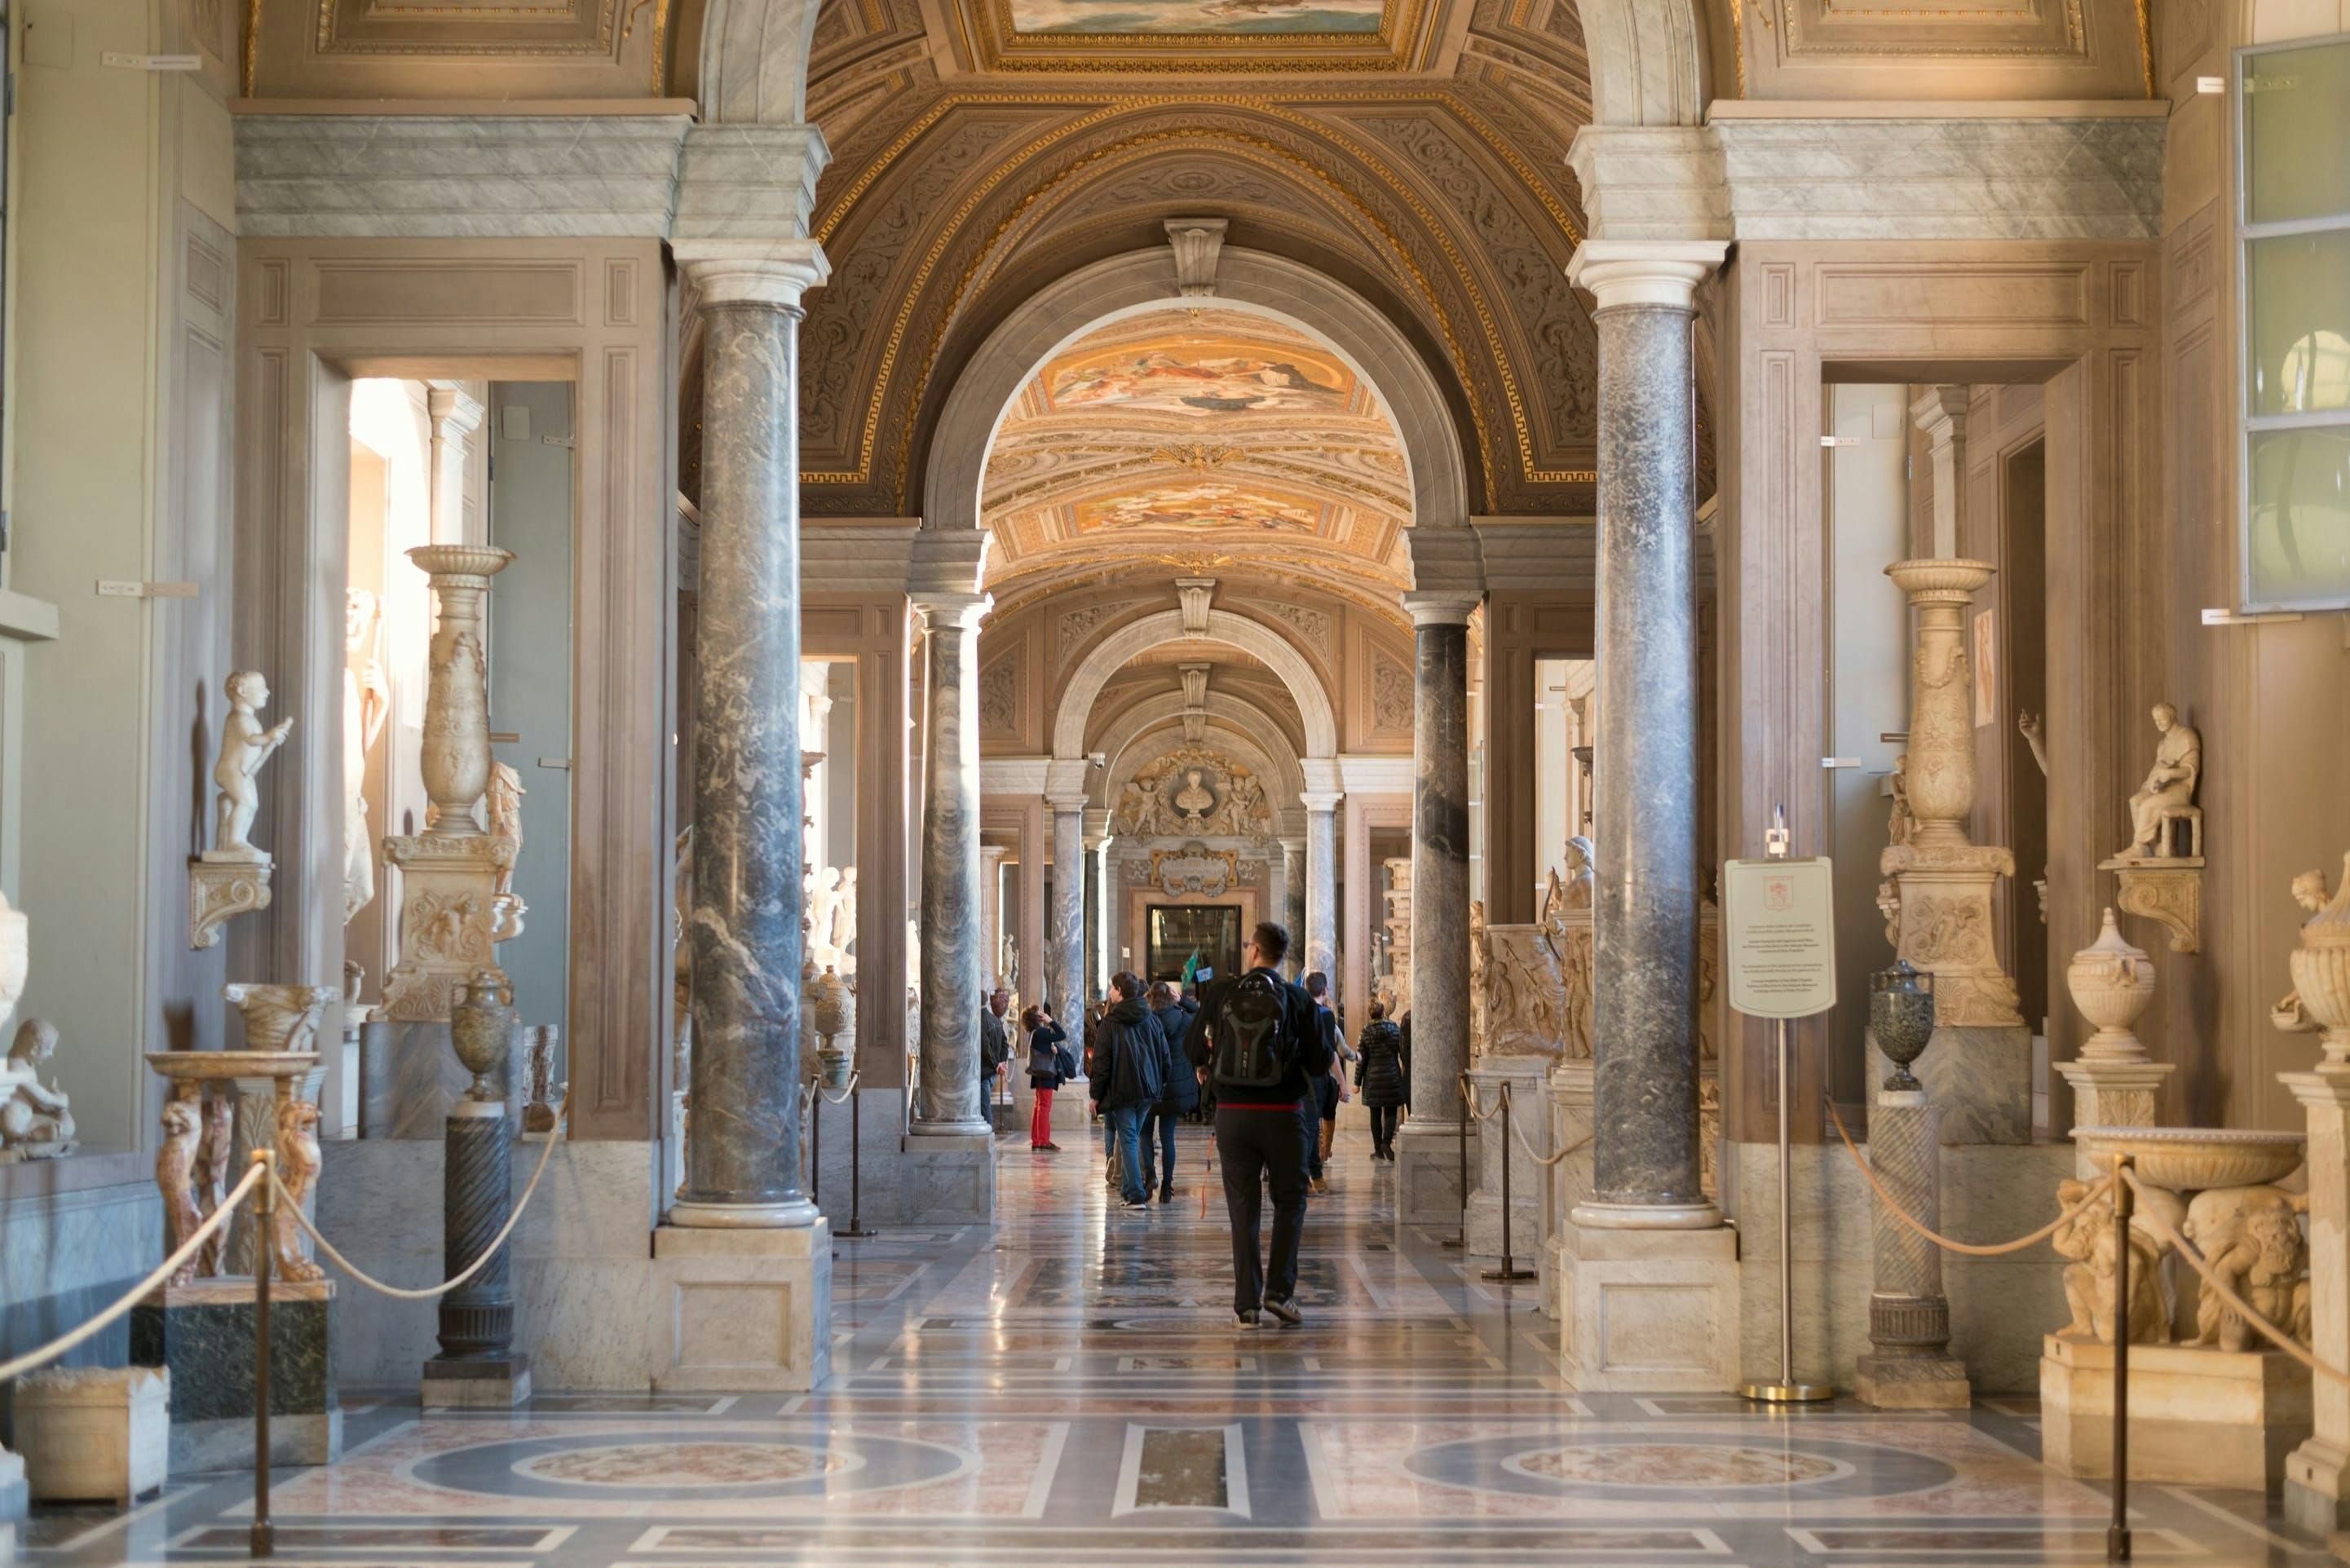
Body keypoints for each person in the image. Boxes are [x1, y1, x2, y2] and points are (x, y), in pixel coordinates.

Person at [1183, 921, 1330, 1327]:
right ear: (1284, 956)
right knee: (1290, 1202)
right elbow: (1320, 1063)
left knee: (1243, 1209)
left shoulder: (1222, 993)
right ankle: (1280, 1294)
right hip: (1285, 1116)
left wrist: (1208, 1065)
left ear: (1253, 951)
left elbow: (1192, 1046)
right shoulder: (1297, 997)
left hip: (1234, 1115)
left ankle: (1246, 1305)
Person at [1089, 973, 1167, 1209]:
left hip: (1122, 1090)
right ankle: (1127, 1188)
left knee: (1129, 1139)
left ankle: (1134, 1194)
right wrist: (1160, 1083)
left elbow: (1101, 1063)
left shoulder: (1110, 1023)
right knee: (1131, 1137)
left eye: (1112, 988)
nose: (1109, 992)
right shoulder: (1152, 1019)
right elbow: (1165, 1056)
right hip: (1148, 1090)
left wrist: (1095, 1095)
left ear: (1119, 991)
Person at [1141, 980, 1200, 1202]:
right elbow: (1199, 1012)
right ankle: (1167, 1185)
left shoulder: (1146, 1019)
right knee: (1167, 1136)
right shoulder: (1184, 1018)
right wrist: (1182, 1000)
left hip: (1150, 1084)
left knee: (1144, 1133)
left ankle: (1150, 1176)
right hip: (1175, 1085)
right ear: (1170, 996)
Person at [1302, 972, 1347, 1192]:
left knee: (1306, 1127)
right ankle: (1312, 1176)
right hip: (1316, 1078)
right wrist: (1343, 1083)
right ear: (1325, 990)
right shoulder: (1327, 1016)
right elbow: (1329, 1053)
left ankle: (1314, 1175)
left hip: (1296, 1077)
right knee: (1311, 1128)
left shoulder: (1298, 1012)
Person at [1355, 998, 1407, 1160]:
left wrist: (1357, 1082)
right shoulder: (1395, 1029)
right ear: (1383, 1012)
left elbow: (1361, 1060)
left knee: (1375, 1113)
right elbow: (1403, 1052)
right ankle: (1386, 1142)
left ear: (1370, 1014)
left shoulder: (1365, 1032)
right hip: (1391, 1075)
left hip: (1373, 1079)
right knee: (1391, 1111)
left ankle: (1378, 1149)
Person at [1023, 1003, 1070, 1153]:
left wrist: (1054, 1051)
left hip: (1040, 1075)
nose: (1043, 1013)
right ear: (1037, 1017)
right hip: (1046, 1074)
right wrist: (1051, 1021)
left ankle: (1037, 1140)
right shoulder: (1041, 1032)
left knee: (1039, 1106)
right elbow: (1062, 1034)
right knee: (1044, 1107)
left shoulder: (1036, 1033)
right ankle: (1043, 1141)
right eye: (1040, 1012)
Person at [979, 987, 1010, 1125]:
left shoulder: (981, 1019)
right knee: (984, 1105)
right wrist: (1001, 1062)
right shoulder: (995, 1020)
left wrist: (996, 1064)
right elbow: (1005, 1044)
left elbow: (985, 1048)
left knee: (985, 1107)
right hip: (992, 1072)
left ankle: (988, 1134)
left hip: (984, 1072)